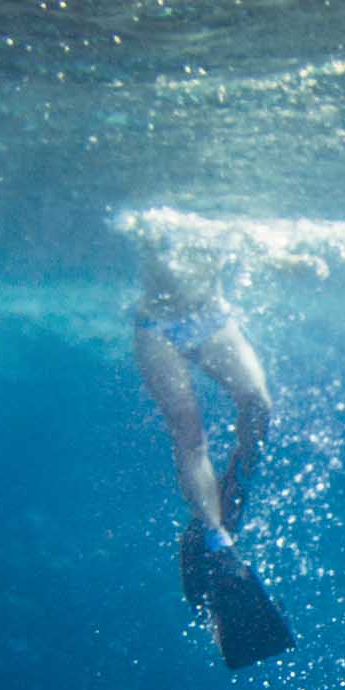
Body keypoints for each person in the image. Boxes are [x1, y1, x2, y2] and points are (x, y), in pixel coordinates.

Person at [119, 207, 279, 555]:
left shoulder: (225, 216)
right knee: (190, 435)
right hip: (158, 331)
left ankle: (239, 479)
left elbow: (257, 248)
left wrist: (294, 261)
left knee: (259, 405)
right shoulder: (159, 219)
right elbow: (139, 233)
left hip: (212, 321)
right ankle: (214, 534)